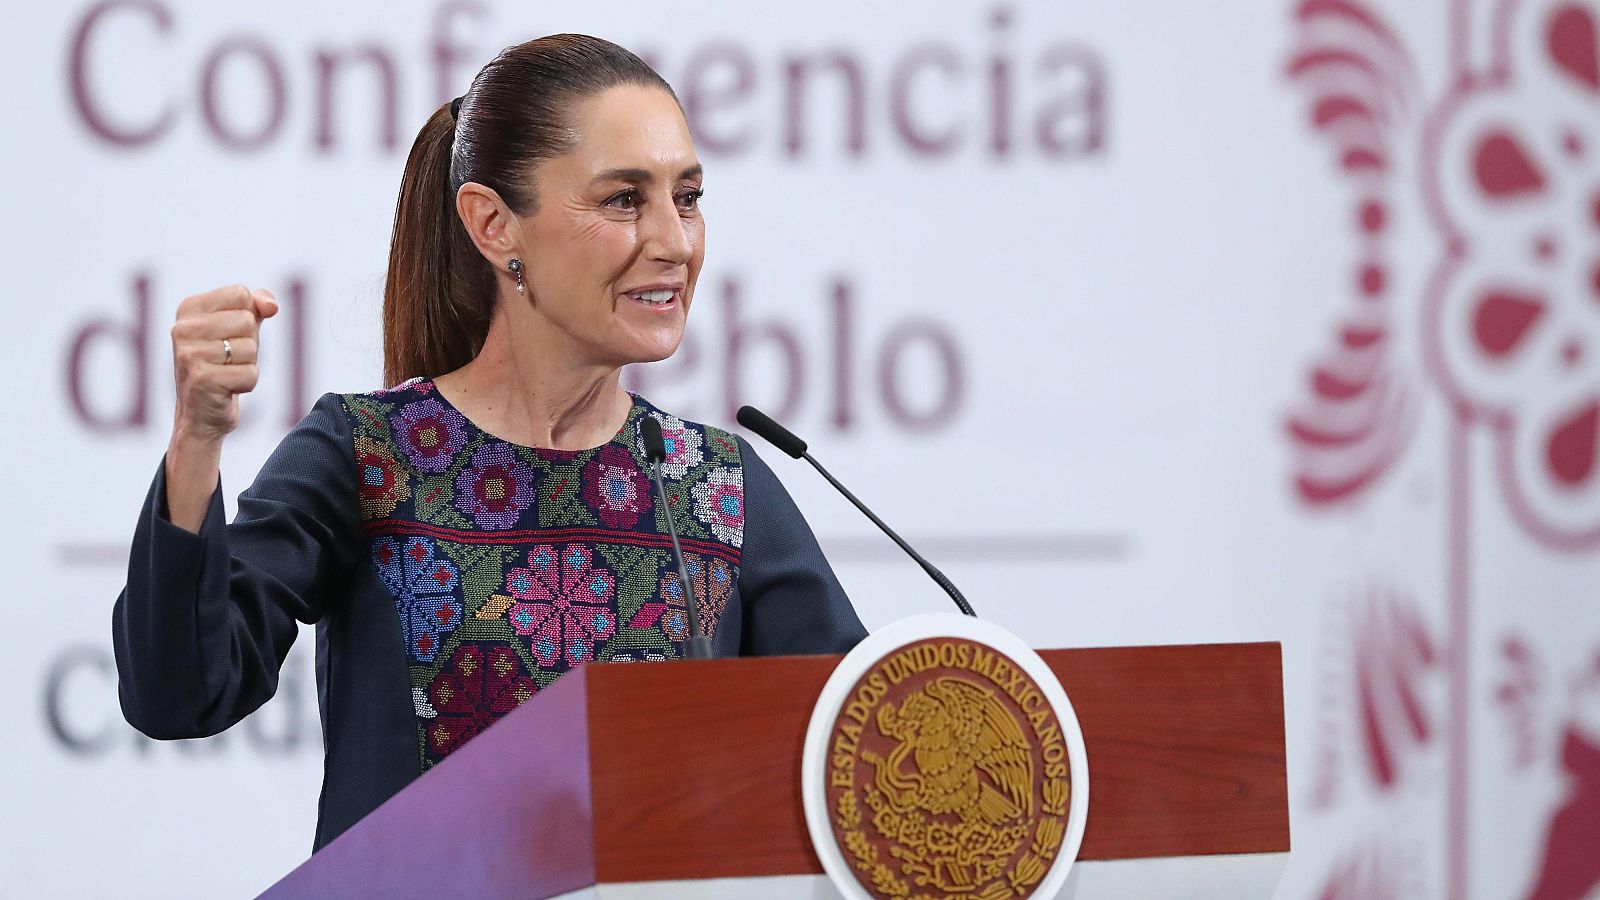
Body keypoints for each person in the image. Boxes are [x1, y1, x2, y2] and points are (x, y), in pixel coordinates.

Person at [111, 34, 867, 852]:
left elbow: (861, 753)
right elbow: (177, 693)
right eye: (623, 200)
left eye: (686, 197)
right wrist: (197, 440)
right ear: (494, 224)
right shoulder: (369, 455)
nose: (676, 241)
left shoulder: (715, 482)